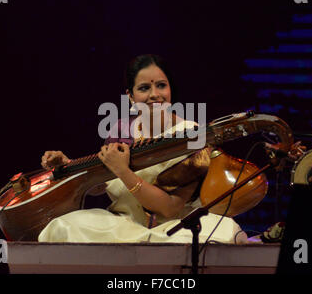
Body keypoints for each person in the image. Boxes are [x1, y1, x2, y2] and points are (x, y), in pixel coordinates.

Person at [37, 54, 247, 244]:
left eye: (161, 86)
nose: (155, 94)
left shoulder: (191, 134)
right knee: (62, 227)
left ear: (170, 89)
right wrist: (68, 167)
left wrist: (123, 171)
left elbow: (169, 208)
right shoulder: (121, 129)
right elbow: (99, 184)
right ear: (130, 96)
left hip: (173, 230)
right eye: (144, 88)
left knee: (219, 235)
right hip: (122, 226)